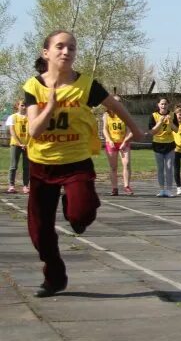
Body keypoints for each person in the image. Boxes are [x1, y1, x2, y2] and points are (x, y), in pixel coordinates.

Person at [23, 30, 145, 297]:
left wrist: (135, 129)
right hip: (41, 165)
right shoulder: (33, 86)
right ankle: (54, 277)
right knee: (39, 231)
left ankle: (73, 208)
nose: (66, 52)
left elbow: (115, 106)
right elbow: (33, 131)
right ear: (46, 53)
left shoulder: (86, 85)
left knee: (82, 214)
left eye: (72, 48)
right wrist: (50, 105)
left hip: (76, 161)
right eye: (60, 47)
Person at [102, 95, 133, 196]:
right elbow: (105, 129)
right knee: (113, 167)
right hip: (111, 142)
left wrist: (124, 142)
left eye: (119, 102)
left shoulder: (125, 115)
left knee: (127, 163)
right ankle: (114, 188)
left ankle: (127, 186)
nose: (117, 103)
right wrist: (109, 140)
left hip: (124, 141)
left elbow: (130, 130)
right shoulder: (106, 115)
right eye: (115, 102)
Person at [149, 97, 178, 197]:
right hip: (158, 144)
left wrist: (170, 123)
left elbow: (176, 130)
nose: (163, 106)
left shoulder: (172, 115)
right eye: (162, 104)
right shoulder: (154, 115)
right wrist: (160, 122)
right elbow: (152, 131)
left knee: (169, 168)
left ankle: (169, 190)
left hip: (169, 144)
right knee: (160, 168)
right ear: (158, 105)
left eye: (165, 104)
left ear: (168, 105)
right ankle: (162, 190)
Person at [6, 100, 30, 194]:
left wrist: (28, 143)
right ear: (17, 106)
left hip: (28, 145)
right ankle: (11, 185)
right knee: (13, 166)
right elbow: (12, 132)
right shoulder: (12, 117)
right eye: (22, 105)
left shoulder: (30, 117)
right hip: (15, 144)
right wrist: (20, 143)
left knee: (26, 167)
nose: (24, 107)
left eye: (26, 105)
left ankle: (25, 186)